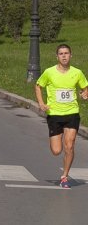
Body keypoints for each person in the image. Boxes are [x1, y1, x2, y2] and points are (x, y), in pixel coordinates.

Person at [34, 44, 88, 188]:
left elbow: (85, 87)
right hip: (54, 115)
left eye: (66, 53)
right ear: (57, 56)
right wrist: (41, 103)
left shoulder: (77, 73)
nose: (64, 56)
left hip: (72, 113)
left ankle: (65, 176)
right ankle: (54, 140)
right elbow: (38, 85)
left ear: (71, 55)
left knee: (69, 146)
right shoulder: (49, 72)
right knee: (57, 151)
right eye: (61, 53)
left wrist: (85, 93)